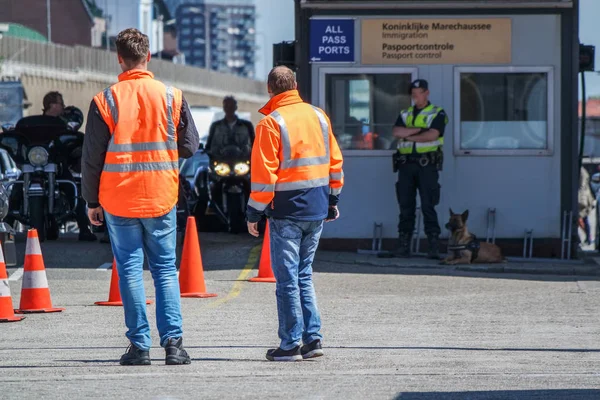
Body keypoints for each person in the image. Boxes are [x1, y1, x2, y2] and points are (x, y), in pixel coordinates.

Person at [81, 28, 199, 366]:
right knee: (164, 270)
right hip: (161, 195)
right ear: (148, 55)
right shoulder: (171, 96)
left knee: (130, 270)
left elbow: (91, 157)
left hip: (119, 199)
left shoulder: (106, 100)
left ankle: (140, 347)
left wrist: (91, 201)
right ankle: (174, 346)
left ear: (119, 58)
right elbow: (190, 145)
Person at [246, 66, 344, 362]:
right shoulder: (318, 116)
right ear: (296, 85)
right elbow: (335, 161)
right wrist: (332, 198)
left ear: (270, 89)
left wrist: (253, 213)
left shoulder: (271, 124)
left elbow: (265, 176)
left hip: (286, 211)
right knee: (304, 275)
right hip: (316, 208)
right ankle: (312, 339)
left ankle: (289, 344)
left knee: (288, 279)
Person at [388, 79, 448, 259]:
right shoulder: (405, 113)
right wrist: (420, 131)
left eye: (419, 91)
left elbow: (433, 135)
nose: (415, 95)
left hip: (427, 166)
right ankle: (404, 246)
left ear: (426, 93)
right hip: (405, 166)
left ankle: (433, 246)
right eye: (413, 92)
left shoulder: (437, 113)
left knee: (428, 205)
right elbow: (397, 132)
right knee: (406, 206)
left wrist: (410, 135)